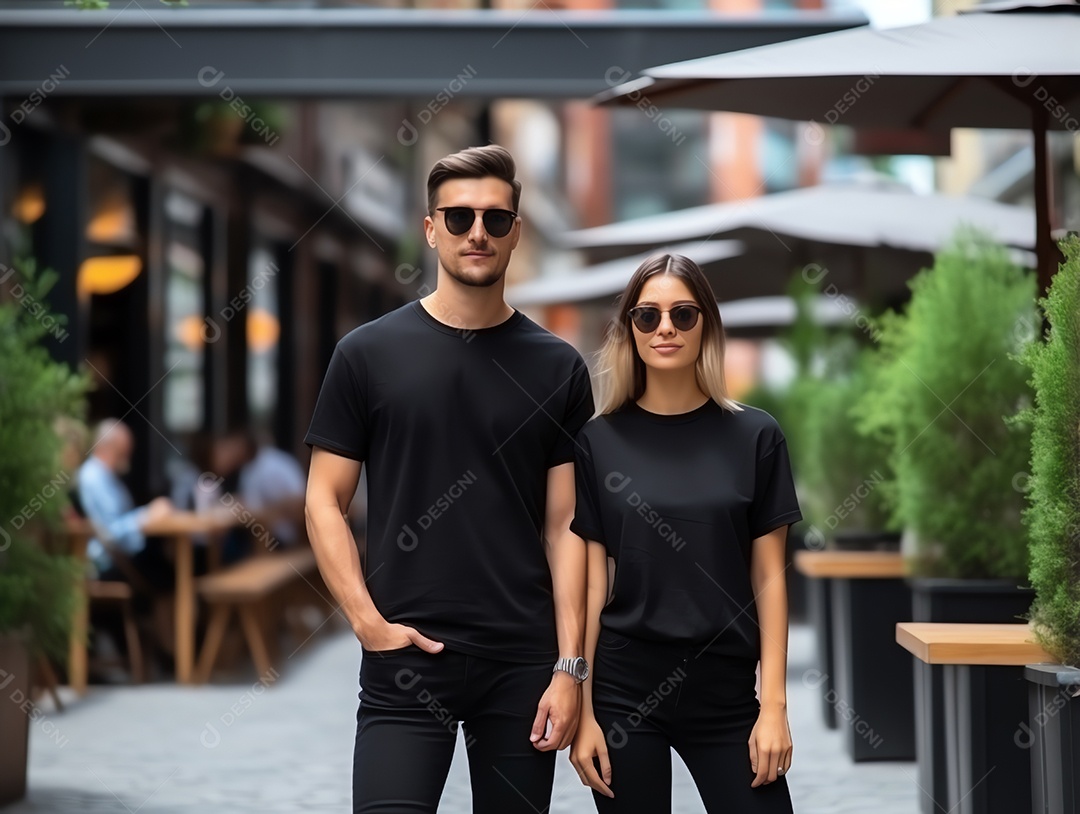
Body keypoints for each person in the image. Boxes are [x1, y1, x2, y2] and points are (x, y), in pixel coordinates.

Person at [304, 144, 595, 814]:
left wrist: (569, 667)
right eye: (460, 217)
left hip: (522, 662)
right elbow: (324, 500)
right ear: (431, 229)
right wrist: (367, 623)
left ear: (517, 232)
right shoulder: (366, 354)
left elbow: (566, 527)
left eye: (496, 219)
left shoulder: (558, 368)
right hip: (405, 658)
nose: (478, 233)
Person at [569, 254, 801, 814]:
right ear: (630, 328)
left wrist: (773, 706)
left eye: (683, 314)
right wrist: (585, 712)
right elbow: (594, 584)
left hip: (726, 692)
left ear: (707, 325)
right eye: (647, 315)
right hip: (624, 691)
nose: (665, 328)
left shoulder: (756, 436)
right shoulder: (598, 441)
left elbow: (769, 579)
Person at [77, 418, 174, 589]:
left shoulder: (107, 476)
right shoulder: (93, 477)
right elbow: (109, 533)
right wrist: (147, 515)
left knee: (168, 568)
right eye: (124, 450)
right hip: (109, 562)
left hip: (121, 556)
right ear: (109, 447)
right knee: (168, 577)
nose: (128, 456)